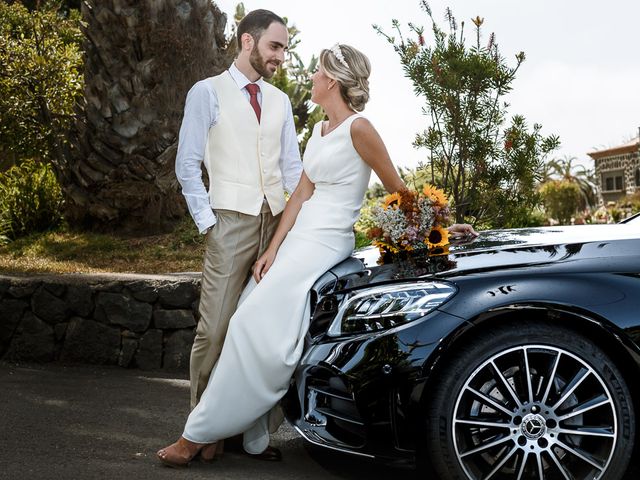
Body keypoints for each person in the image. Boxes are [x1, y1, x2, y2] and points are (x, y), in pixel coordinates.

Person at [159, 42, 477, 468]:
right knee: (243, 314)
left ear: (332, 80)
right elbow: (300, 194)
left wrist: (442, 230)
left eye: (317, 71)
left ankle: (195, 436)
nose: (309, 76)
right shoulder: (319, 130)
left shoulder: (361, 129)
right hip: (300, 238)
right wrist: (272, 250)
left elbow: (398, 189)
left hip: (327, 240)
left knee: (252, 326)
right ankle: (246, 433)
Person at [174, 9, 303, 460]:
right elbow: (187, 164)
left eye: (284, 48)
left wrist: (299, 221)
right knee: (214, 329)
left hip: (276, 224)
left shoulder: (280, 102)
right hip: (229, 221)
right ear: (248, 42)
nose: (281, 57)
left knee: (259, 330)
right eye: (275, 46)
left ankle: (249, 432)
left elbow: (293, 168)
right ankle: (202, 431)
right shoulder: (206, 92)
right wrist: (209, 222)